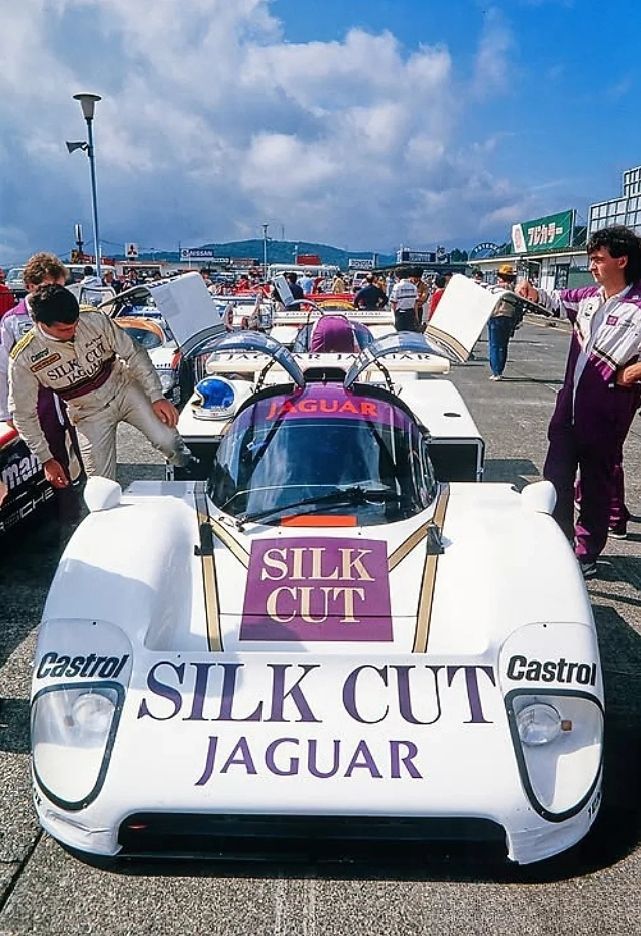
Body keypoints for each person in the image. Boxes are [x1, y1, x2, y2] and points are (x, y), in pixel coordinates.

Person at [516, 225, 641, 578]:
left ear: (622, 260)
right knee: (555, 478)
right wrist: (531, 292)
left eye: (598, 259)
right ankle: (559, 542)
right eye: (590, 259)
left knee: (596, 484)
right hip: (567, 409)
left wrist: (631, 373)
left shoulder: (638, 305)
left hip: (607, 413)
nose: (592, 266)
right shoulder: (588, 297)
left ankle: (587, 552)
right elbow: (554, 300)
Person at [9, 284, 198, 484]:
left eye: (75, 324)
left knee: (168, 441)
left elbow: (133, 353)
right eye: (64, 329)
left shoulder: (93, 318)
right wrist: (45, 459)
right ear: (41, 323)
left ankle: (193, 471)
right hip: (87, 411)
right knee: (100, 484)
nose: (73, 331)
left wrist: (156, 396)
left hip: (124, 388)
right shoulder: (25, 357)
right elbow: (23, 414)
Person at [0, 253, 83, 492]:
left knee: (89, 446)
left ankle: (95, 490)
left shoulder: (70, 312)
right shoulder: (12, 321)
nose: (53, 293)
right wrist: (6, 412)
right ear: (30, 287)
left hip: (71, 391)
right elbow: (4, 368)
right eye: (46, 287)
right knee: (53, 455)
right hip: (39, 399)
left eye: (59, 287)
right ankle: (67, 511)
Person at [486, 264, 519, 380]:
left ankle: (496, 371)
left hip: (496, 317)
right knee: (503, 346)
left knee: (494, 345)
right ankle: (500, 370)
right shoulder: (514, 289)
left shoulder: (496, 288)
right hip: (509, 318)